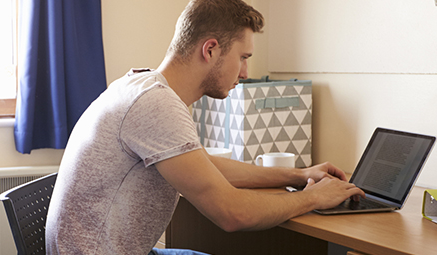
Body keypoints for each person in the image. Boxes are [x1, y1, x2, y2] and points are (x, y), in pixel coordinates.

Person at [44, 0, 366, 254]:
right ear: (210, 49)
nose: (244, 72)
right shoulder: (155, 105)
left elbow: (203, 165)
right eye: (243, 57)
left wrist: (299, 175)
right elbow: (232, 213)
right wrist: (313, 198)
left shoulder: (140, 85)